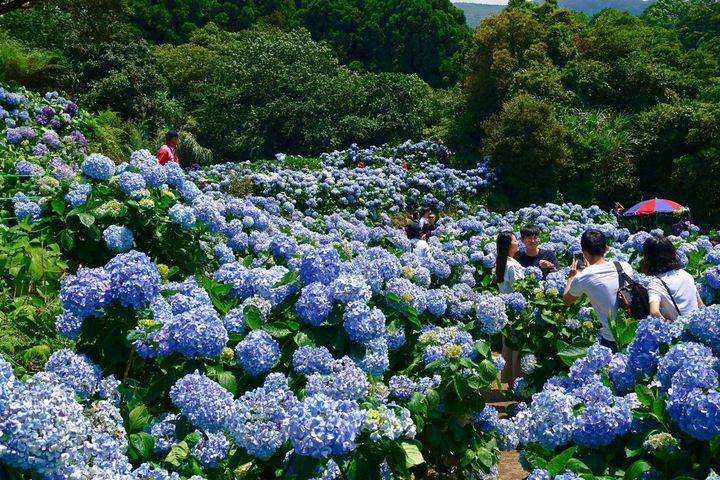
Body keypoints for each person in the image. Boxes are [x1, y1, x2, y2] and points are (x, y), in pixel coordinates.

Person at [563, 230, 635, 351]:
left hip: (612, 339)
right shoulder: (625, 266)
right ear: (606, 248)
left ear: (584, 252)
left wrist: (571, 277)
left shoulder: (583, 277)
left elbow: (566, 300)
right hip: (633, 332)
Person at [643, 235, 703, 321]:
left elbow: (654, 312)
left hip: (679, 332)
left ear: (648, 258)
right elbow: (700, 304)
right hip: (695, 328)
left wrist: (668, 327)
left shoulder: (656, 284)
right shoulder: (686, 274)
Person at [493, 230, 525, 383]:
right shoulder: (513, 267)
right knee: (517, 348)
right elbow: (521, 288)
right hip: (517, 312)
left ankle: (508, 379)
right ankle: (518, 382)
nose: (518, 242)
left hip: (505, 311)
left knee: (507, 346)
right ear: (508, 245)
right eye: (515, 240)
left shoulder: (500, 262)